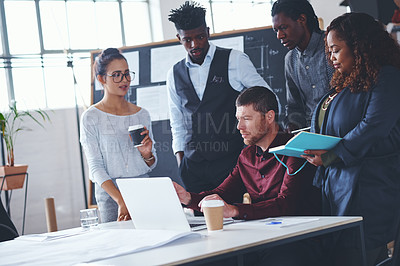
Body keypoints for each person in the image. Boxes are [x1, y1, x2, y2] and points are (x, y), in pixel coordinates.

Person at [174, 86, 322, 265]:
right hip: (259, 237)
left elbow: (286, 204)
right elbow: (223, 193)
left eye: (246, 119)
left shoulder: (294, 150)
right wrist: (187, 197)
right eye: (238, 119)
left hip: (296, 239)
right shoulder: (247, 156)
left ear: (269, 117)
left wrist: (235, 210)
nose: (239, 127)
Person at [302, 13, 400, 266]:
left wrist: (332, 154)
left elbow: (373, 127)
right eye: (329, 51)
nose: (331, 57)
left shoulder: (387, 77)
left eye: (336, 49)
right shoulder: (347, 83)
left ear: (358, 47)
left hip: (367, 187)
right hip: (335, 184)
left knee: (360, 256)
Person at [167, 1, 272, 194]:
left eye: (199, 37)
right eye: (187, 40)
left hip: (230, 163)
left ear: (207, 31)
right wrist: (181, 163)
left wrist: (254, 148)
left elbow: (267, 98)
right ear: (178, 38)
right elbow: (177, 122)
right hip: (193, 170)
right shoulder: (174, 74)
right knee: (201, 224)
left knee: (234, 220)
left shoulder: (234, 60)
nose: (195, 45)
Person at [80, 48, 157, 223]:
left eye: (127, 73)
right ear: (101, 79)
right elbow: (95, 167)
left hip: (144, 190)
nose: (124, 80)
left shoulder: (142, 114)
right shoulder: (91, 117)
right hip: (111, 196)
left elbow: (152, 164)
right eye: (116, 75)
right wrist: (121, 200)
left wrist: (147, 155)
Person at [271, 0, 334, 131]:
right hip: (312, 133)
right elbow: (294, 106)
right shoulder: (290, 60)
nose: (279, 36)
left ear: (302, 19)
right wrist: (291, 125)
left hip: (341, 128)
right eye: (276, 30)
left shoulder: (332, 46)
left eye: (283, 27)